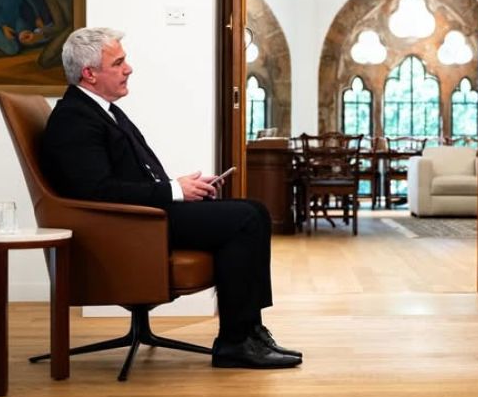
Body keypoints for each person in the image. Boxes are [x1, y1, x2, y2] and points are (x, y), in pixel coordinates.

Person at [41, 27, 302, 370]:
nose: (129, 68)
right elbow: (97, 191)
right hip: (128, 227)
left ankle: (249, 332)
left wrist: (184, 188)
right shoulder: (74, 119)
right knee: (247, 218)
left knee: (252, 211)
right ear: (89, 73)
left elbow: (126, 179)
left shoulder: (101, 110)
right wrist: (174, 190)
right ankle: (237, 341)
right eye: (118, 63)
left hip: (143, 216)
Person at [18, 0, 73, 68]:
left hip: (70, 30)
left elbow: (60, 26)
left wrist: (38, 35)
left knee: (45, 61)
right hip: (76, 28)